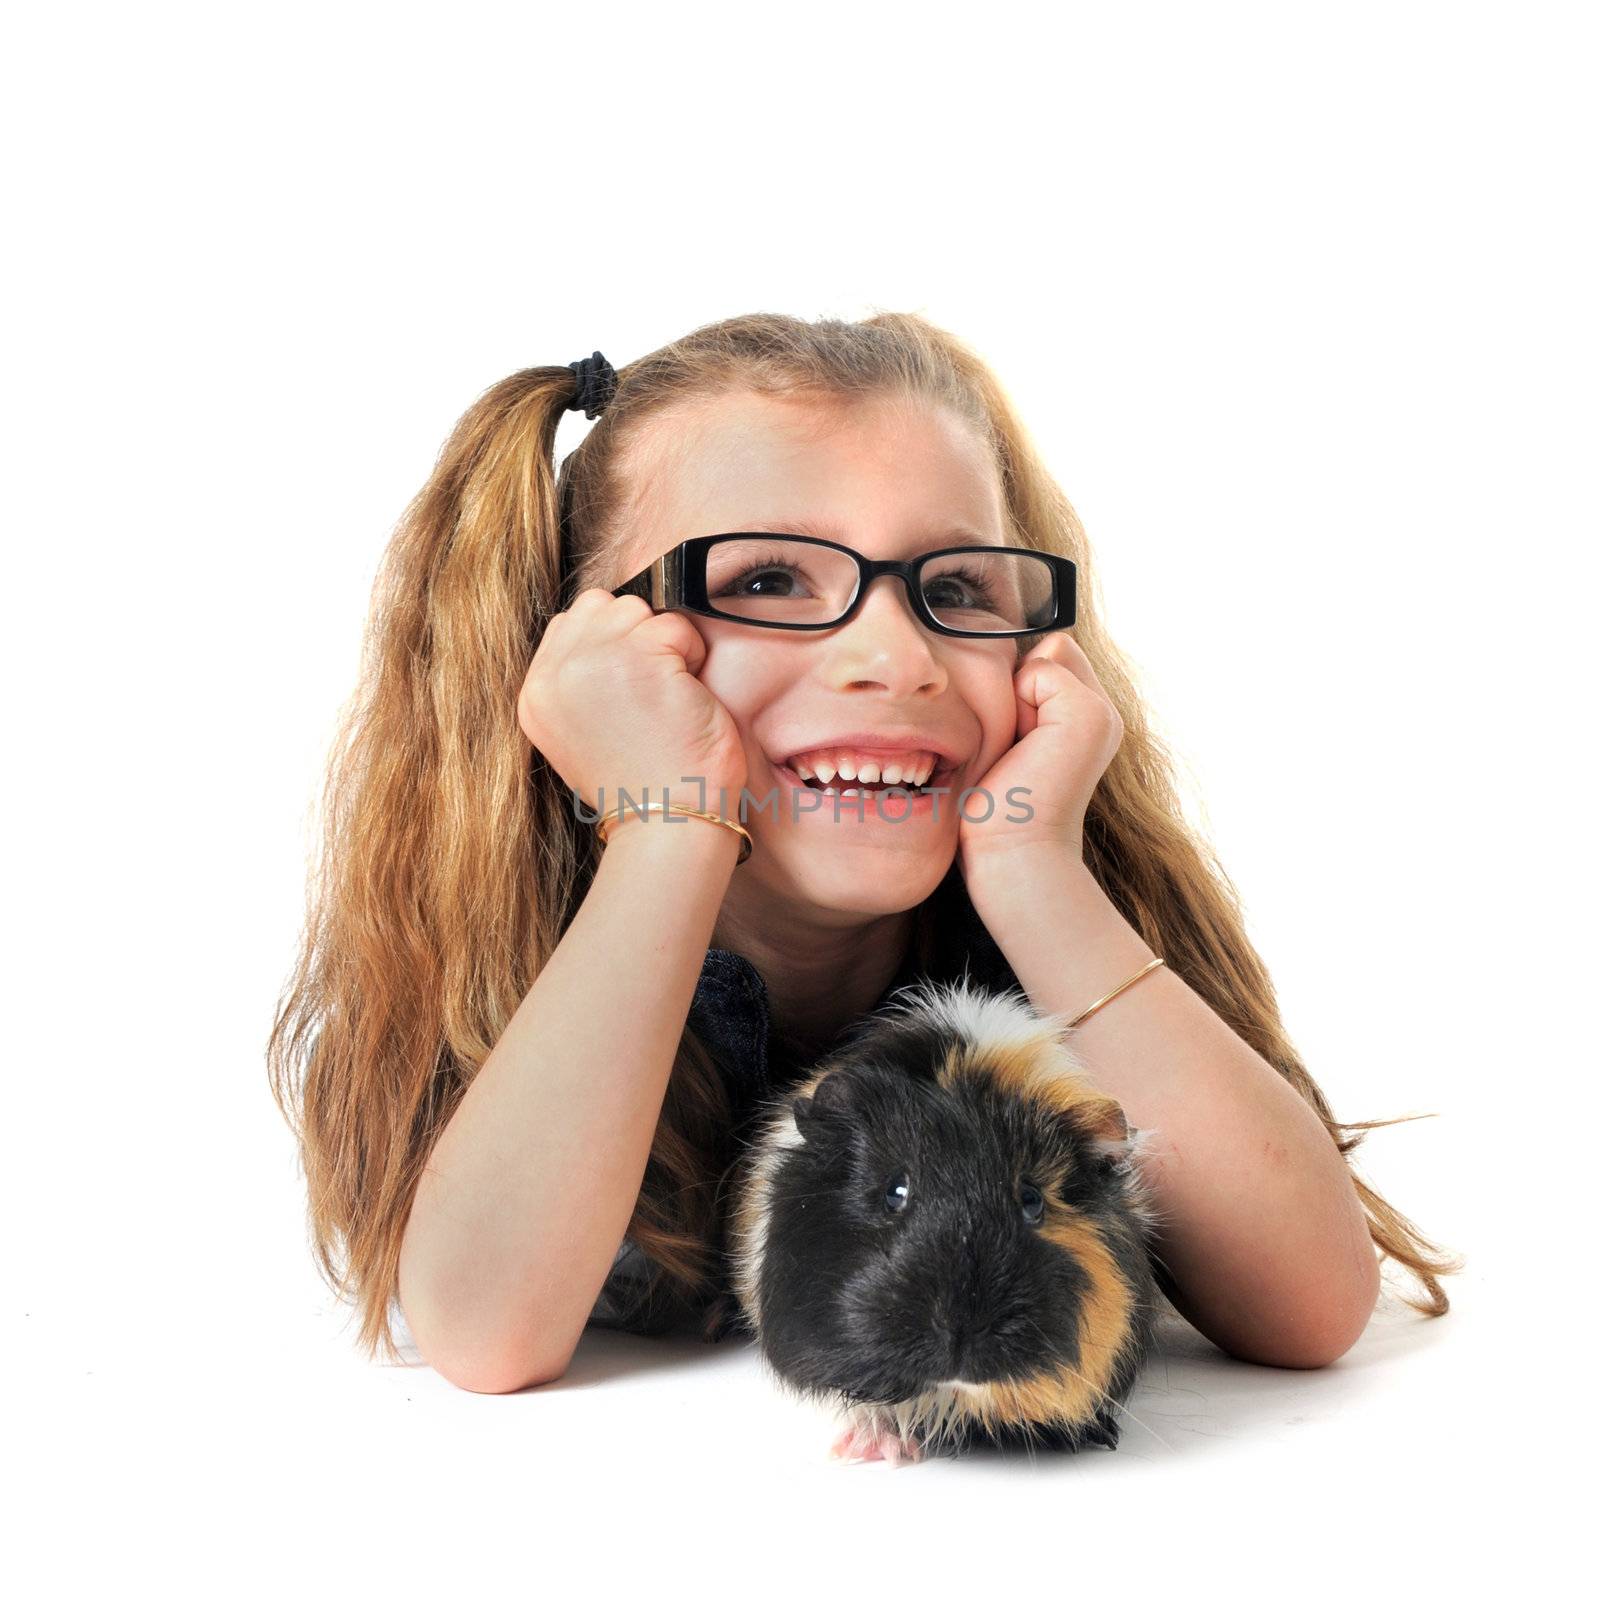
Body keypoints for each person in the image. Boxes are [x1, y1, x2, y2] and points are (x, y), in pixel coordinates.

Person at [266, 311, 1462, 1395]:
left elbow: (1312, 1309)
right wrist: (667, 827)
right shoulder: (502, 949)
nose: (897, 658)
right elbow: (488, 1332)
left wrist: (1035, 871)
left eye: (954, 584)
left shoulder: (1045, 915)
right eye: (769, 579)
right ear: (581, 651)